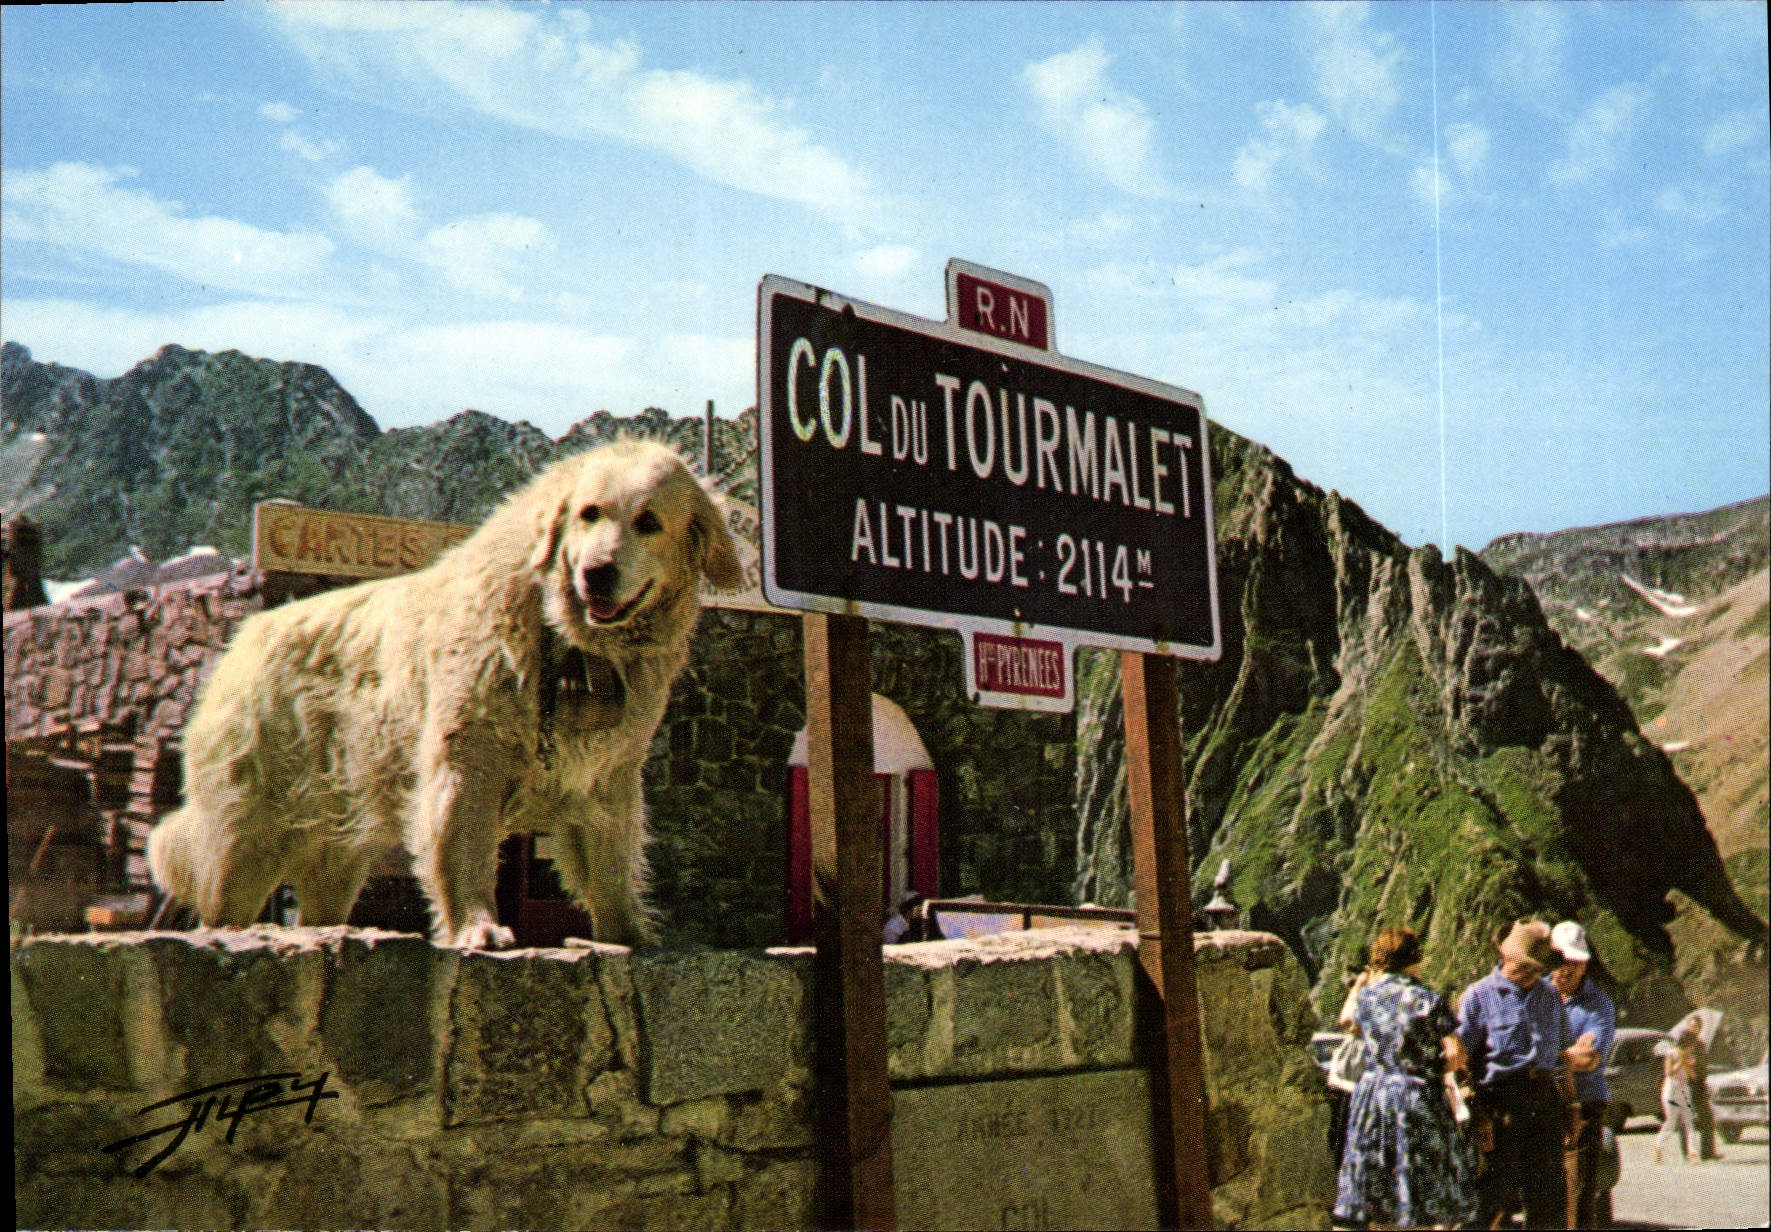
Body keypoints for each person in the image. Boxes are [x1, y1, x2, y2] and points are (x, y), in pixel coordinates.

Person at [1459, 919, 1600, 1230]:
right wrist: (1478, 1114)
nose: (1532, 974)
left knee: (1550, 1199)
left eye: (1538, 969)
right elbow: (1460, 1063)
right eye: (1524, 966)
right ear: (1506, 957)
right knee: (1492, 1199)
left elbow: (1561, 1057)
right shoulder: (1478, 996)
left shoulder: (1549, 995)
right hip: (1501, 1107)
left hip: (1545, 1103)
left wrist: (1572, 1105)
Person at [1331, 926, 1476, 1230]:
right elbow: (1456, 1054)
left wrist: (1360, 984)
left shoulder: (1368, 997)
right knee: (1419, 1185)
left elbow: (1346, 1020)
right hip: (1416, 1097)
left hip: (1374, 1097)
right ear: (1415, 958)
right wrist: (1428, 1069)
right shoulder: (1426, 999)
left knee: (1377, 1181)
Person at [1550, 920, 1617, 1228]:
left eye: (1575, 961)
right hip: (1543, 1103)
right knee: (1542, 1199)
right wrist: (1567, 1056)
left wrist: (1542, 1057)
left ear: (1585, 964)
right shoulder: (1534, 996)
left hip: (1585, 1105)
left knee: (1580, 1200)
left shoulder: (1599, 1005)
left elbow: (1589, 1059)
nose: (1567, 968)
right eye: (1561, 960)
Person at [1654, 1022, 1700, 1164]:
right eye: (1691, 1045)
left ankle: (1693, 1152)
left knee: (1689, 1121)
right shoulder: (1671, 1053)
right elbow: (1669, 1072)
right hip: (1671, 1090)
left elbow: (1693, 1076)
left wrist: (1687, 1064)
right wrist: (1680, 1062)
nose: (1692, 1048)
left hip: (1684, 1090)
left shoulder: (1690, 1056)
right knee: (1671, 1122)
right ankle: (1658, 1146)